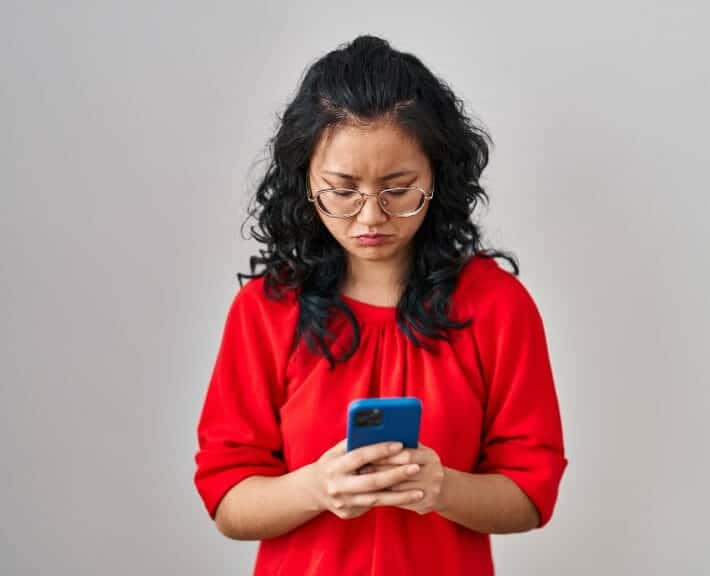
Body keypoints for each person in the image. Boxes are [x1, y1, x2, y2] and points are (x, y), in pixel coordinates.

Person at [193, 34, 568, 575]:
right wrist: (316, 488)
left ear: (438, 177)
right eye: (342, 190)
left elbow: (532, 494)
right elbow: (227, 500)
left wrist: (443, 489)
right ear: (305, 182)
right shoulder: (265, 310)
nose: (371, 217)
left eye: (398, 188)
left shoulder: (498, 306)